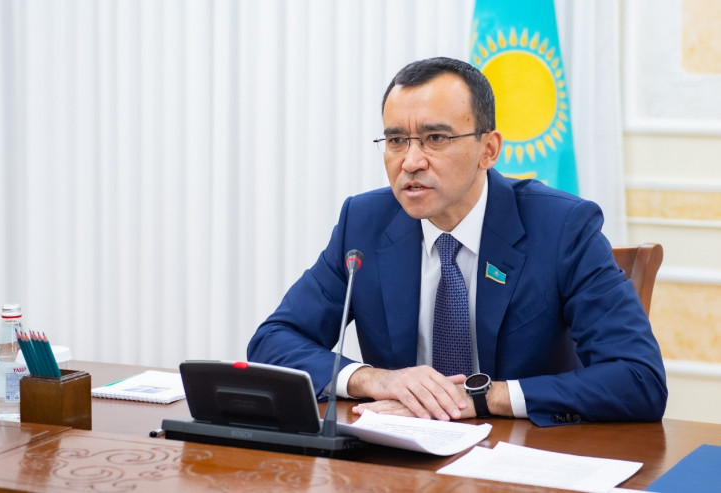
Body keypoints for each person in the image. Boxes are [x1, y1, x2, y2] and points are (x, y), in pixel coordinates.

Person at [247, 57, 667, 427]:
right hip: (400, 452)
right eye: (396, 141)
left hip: (522, 454)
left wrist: (481, 397)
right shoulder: (364, 223)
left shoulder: (561, 227)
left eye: (436, 138)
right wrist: (374, 379)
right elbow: (273, 340)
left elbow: (638, 379)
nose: (411, 161)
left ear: (489, 149)